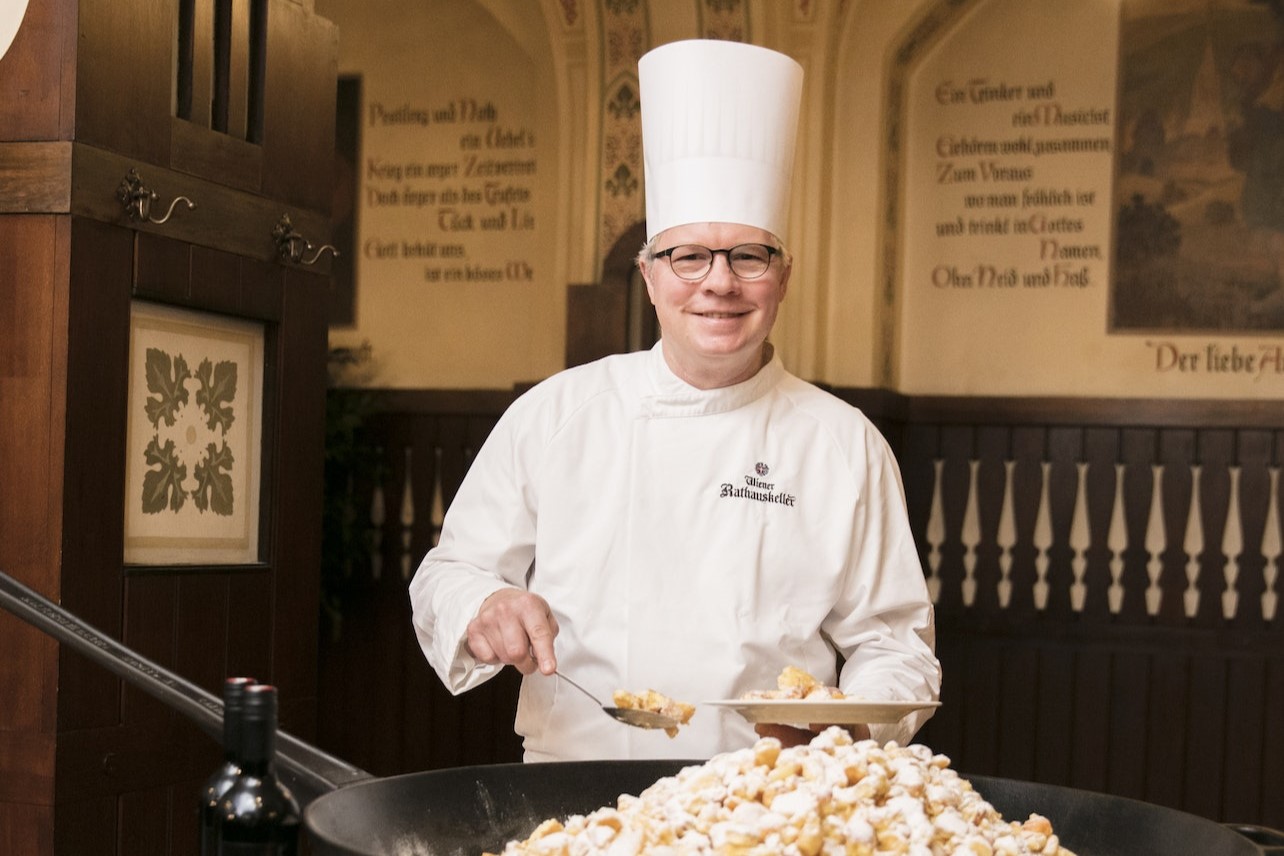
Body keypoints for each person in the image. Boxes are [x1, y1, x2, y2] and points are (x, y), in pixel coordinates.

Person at [409, 39, 940, 762]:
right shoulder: (557, 414)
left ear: (782, 278)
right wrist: (484, 606)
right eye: (688, 256)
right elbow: (450, 573)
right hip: (573, 793)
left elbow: (894, 645)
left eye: (748, 256)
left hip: (765, 802)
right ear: (650, 276)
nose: (718, 283)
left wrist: (843, 731)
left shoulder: (843, 445)